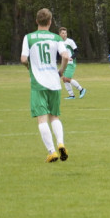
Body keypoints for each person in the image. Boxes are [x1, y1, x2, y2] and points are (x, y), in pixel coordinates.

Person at [21, 9, 71, 162]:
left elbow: (23, 59)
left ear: (37, 21)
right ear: (50, 22)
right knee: (54, 116)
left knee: (42, 119)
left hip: (38, 82)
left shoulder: (29, 37)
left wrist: (30, 67)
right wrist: (61, 71)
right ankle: (61, 143)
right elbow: (65, 56)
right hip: (54, 81)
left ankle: (51, 152)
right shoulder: (56, 38)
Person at [59, 27, 87, 99]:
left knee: (67, 78)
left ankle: (81, 89)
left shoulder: (70, 41)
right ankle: (71, 95)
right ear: (59, 34)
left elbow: (76, 51)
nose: (64, 34)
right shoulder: (59, 42)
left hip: (70, 63)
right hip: (64, 63)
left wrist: (72, 57)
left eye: (65, 33)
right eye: (63, 33)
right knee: (64, 79)